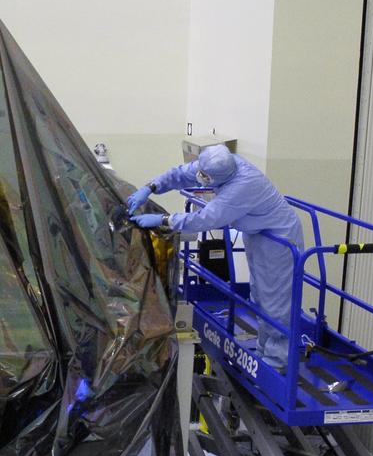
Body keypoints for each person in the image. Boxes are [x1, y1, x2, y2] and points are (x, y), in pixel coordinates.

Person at [126, 145, 304, 370]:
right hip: (258, 233)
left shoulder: (242, 185)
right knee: (259, 294)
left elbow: (206, 219)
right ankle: (264, 352)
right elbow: (182, 173)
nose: (200, 177)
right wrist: (151, 187)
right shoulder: (216, 166)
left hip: (279, 238)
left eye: (205, 176)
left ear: (220, 176)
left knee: (275, 299)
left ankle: (277, 362)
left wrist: (164, 220)